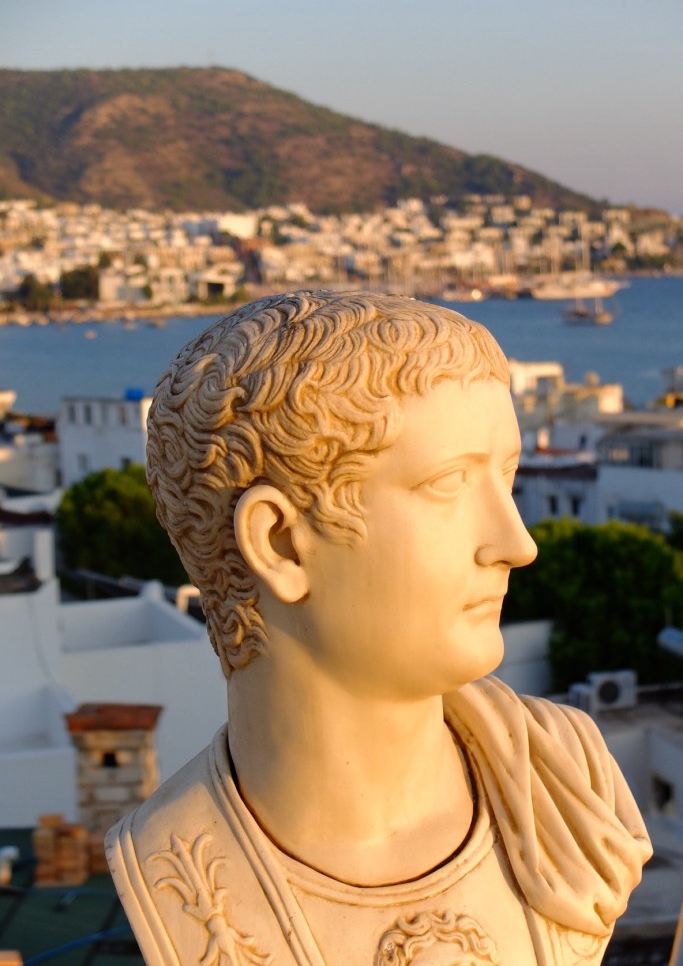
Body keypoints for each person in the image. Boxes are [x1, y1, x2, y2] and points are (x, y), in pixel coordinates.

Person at [106, 291, 651, 966]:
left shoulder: (569, 782)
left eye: (506, 482)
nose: (516, 543)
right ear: (279, 543)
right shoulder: (178, 879)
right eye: (448, 484)